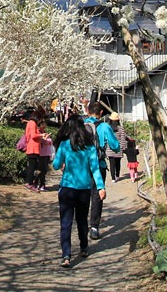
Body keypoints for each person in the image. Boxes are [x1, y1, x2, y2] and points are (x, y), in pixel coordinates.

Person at [52, 114, 106, 268]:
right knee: (82, 220)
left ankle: (66, 255)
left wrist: (62, 163)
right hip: (84, 189)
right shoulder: (89, 147)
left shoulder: (63, 145)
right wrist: (101, 187)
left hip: (67, 189)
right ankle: (83, 247)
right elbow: (95, 169)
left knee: (66, 222)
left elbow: (56, 165)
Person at [84, 102, 120, 240]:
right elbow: (115, 146)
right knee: (97, 195)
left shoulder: (80, 126)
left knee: (83, 195)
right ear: (100, 114)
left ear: (87, 112)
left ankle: (82, 224)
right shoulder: (104, 126)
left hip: (81, 166)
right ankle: (94, 226)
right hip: (98, 165)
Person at [23, 108, 52, 191]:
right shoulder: (32, 123)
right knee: (32, 167)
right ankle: (29, 183)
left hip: (34, 147)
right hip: (32, 148)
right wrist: (41, 135)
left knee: (32, 166)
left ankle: (30, 183)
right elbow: (33, 135)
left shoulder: (31, 123)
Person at [106, 112, 126, 183]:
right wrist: (123, 148)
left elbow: (106, 139)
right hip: (118, 148)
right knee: (118, 163)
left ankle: (113, 178)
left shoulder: (108, 128)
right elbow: (123, 139)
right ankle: (117, 175)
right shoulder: (120, 129)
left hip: (110, 148)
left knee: (112, 164)